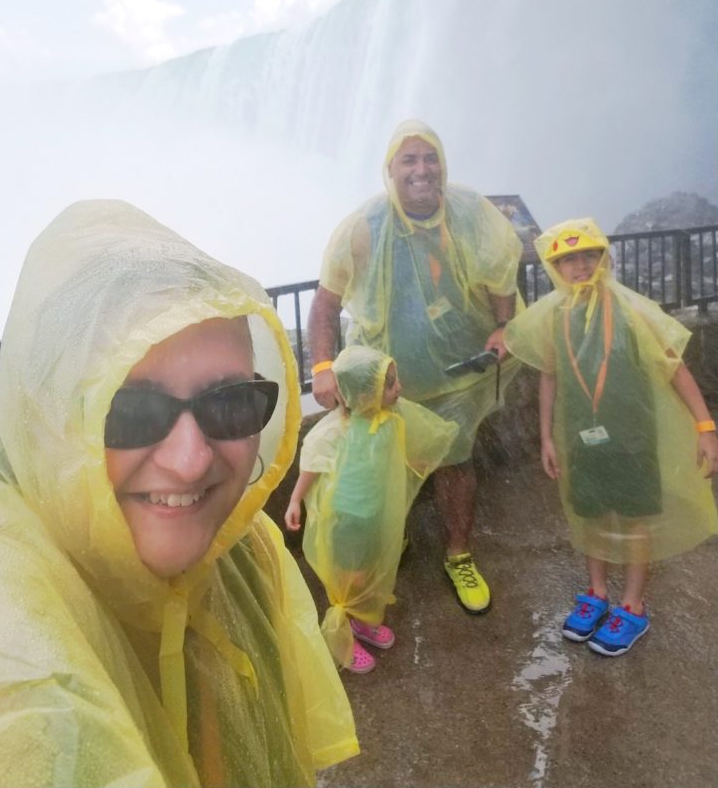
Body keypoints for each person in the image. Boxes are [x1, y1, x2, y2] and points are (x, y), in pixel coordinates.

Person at [0, 200, 358, 788]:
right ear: (56, 424)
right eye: (131, 412)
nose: (191, 461)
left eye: (231, 403)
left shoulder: (247, 552)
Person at [308, 119, 523, 614]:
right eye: (410, 160)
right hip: (385, 382)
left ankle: (458, 554)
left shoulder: (469, 211)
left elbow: (500, 271)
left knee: (455, 463)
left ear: (443, 167)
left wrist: (505, 325)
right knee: (378, 467)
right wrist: (322, 366)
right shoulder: (364, 227)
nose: (422, 170)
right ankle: (389, 546)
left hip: (456, 377)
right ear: (390, 170)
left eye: (431, 159)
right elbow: (325, 304)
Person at [504, 218, 718, 656]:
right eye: (567, 261)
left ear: (605, 258)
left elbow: (674, 365)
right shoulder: (556, 315)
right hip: (582, 440)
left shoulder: (630, 309)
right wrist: (546, 437)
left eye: (588, 256)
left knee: (636, 519)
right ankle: (597, 593)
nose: (580, 267)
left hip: (632, 437)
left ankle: (632, 604)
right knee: (592, 515)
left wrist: (704, 427)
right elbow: (549, 375)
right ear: (554, 268)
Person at [284, 346, 457, 674]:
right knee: (352, 577)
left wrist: (420, 463)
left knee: (374, 569)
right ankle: (343, 634)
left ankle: (361, 620)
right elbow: (312, 464)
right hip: (347, 519)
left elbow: (405, 446)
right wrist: (295, 500)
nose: (399, 388)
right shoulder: (338, 429)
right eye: (390, 384)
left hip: (376, 514)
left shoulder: (391, 416)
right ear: (365, 395)